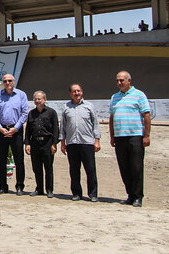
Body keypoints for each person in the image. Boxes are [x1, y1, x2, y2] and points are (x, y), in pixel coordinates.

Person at [109, 71, 151, 207]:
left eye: (122, 80)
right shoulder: (114, 97)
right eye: (117, 81)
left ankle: (138, 196)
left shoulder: (139, 95)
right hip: (120, 137)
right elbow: (111, 118)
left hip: (135, 136)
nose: (119, 83)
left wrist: (146, 135)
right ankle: (130, 195)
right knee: (124, 167)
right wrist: (112, 136)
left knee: (136, 167)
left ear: (129, 81)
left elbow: (146, 116)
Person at [60, 83, 101, 202]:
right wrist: (62, 142)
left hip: (87, 142)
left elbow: (95, 124)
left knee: (90, 169)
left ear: (82, 92)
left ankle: (93, 194)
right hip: (72, 143)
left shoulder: (89, 106)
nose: (76, 93)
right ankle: (77, 193)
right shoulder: (66, 107)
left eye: (78, 91)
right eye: (74, 91)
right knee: (74, 170)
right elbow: (63, 125)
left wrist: (97, 140)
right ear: (70, 94)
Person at [0, 74, 29, 195]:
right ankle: (3, 186)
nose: (7, 83)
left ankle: (19, 186)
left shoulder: (21, 95)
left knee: (19, 159)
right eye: (5, 81)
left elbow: (24, 113)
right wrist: (0, 128)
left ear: (14, 82)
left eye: (9, 81)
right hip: (2, 130)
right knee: (0, 160)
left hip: (16, 131)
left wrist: (16, 128)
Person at [24, 91, 58, 198]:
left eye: (40, 99)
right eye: (36, 99)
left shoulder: (51, 112)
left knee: (48, 167)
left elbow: (56, 129)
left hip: (47, 143)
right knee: (36, 168)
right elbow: (28, 129)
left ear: (45, 100)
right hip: (35, 143)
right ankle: (39, 189)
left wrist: (54, 143)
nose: (38, 101)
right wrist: (27, 143)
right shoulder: (31, 113)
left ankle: (49, 190)